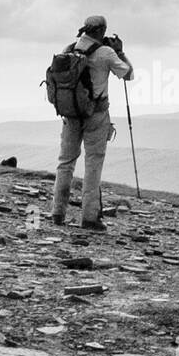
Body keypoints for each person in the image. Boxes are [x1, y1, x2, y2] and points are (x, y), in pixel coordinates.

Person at [50, 15, 133, 231]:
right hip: (96, 113)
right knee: (93, 164)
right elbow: (128, 74)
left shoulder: (68, 49)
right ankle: (89, 218)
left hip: (70, 114)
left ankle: (57, 213)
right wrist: (121, 51)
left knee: (65, 162)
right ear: (101, 31)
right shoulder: (105, 52)